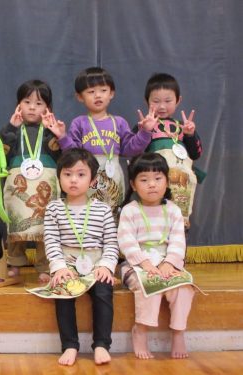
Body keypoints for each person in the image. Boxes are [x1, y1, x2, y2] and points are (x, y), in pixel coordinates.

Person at [44, 67, 154, 217]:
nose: (97, 95)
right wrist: (63, 136)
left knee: (112, 214)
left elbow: (131, 149)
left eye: (103, 90)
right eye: (91, 92)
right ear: (80, 97)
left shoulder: (119, 122)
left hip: (114, 176)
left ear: (111, 93)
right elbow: (74, 154)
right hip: (87, 176)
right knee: (87, 213)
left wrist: (145, 132)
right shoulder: (80, 123)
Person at [44, 148, 119, 366]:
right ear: (59, 178)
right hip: (67, 263)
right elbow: (51, 241)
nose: (73, 180)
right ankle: (69, 345)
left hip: (96, 264)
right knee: (63, 293)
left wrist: (106, 266)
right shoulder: (54, 209)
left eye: (81, 174)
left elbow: (111, 244)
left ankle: (102, 344)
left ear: (93, 180)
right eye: (67, 174)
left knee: (104, 291)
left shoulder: (103, 210)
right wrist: (59, 267)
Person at [118, 153, 194, 360]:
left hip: (167, 263)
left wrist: (169, 263)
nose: (152, 185)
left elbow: (178, 241)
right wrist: (144, 263)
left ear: (167, 181)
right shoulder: (130, 211)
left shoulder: (174, 210)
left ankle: (178, 332)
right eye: (144, 180)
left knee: (184, 288)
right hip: (137, 265)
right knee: (149, 285)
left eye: (158, 179)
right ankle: (141, 330)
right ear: (133, 185)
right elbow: (126, 242)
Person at [0, 79, 61, 283]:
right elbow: (2, 154)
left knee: (46, 227)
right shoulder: (13, 129)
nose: (32, 107)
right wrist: (10, 127)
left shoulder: (51, 130)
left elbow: (62, 156)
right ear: (19, 105)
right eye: (27, 102)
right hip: (19, 180)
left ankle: (45, 265)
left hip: (45, 182)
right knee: (17, 223)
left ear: (48, 108)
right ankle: (14, 263)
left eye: (39, 103)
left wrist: (57, 133)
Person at [137, 73, 203, 229]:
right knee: (154, 222)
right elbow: (134, 152)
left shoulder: (183, 126)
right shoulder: (144, 125)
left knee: (179, 223)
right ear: (147, 101)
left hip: (181, 183)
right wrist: (144, 131)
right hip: (154, 182)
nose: (162, 106)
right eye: (156, 101)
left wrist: (190, 135)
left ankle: (179, 251)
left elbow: (196, 154)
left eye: (168, 101)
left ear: (178, 100)